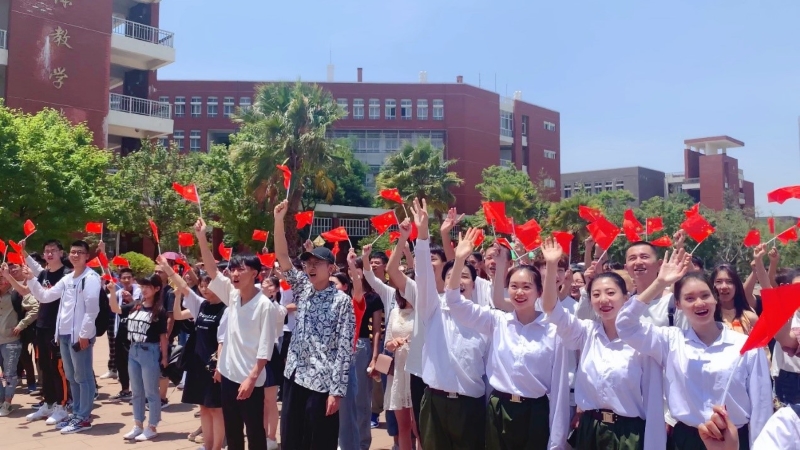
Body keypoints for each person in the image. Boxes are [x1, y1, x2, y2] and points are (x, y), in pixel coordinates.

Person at [616, 249, 772, 449]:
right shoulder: (670, 341)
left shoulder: (746, 346)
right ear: (678, 304)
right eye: (689, 298)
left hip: (732, 439)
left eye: (705, 295)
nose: (699, 303)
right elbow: (625, 326)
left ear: (715, 298)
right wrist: (660, 283)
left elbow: (762, 406)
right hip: (686, 439)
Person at [448, 231, 571, 449]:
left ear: (539, 292)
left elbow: (559, 390)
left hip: (535, 413)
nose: (519, 292)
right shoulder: (497, 321)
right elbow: (455, 304)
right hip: (499, 410)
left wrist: (557, 443)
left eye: (526, 287)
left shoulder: (553, 331)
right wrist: (458, 260)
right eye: (514, 286)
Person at [539, 239, 666, 449]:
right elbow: (552, 309)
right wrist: (551, 266)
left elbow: (653, 399)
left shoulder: (644, 340)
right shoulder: (586, 332)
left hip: (628, 434)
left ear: (627, 298)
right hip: (591, 429)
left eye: (611, 293)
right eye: (596, 295)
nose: (603, 300)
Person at [274, 199, 355, 450]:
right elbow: (282, 256)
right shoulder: (303, 288)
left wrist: (336, 392)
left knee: (318, 442)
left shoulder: (342, 301)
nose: (310, 267)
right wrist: (278, 220)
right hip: (294, 375)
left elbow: (344, 349)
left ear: (331, 268)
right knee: (291, 440)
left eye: (317, 263)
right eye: (308, 263)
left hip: (321, 382)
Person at [196, 218, 281, 450]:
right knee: (232, 430)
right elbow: (212, 271)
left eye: (240, 269)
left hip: (250, 379)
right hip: (228, 375)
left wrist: (251, 379)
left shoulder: (265, 306)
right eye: (232, 269)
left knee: (254, 431)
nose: (234, 274)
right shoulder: (232, 295)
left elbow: (266, 347)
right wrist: (202, 236)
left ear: (255, 273)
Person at [411, 199, 489, 450]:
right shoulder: (433, 308)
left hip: (471, 406)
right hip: (435, 403)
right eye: (453, 276)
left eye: (465, 276)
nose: (459, 281)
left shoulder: (486, 318)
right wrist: (423, 235)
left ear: (475, 285)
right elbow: (423, 276)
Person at [24, 240, 100, 434]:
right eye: (73, 252)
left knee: (83, 377)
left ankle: (84, 417)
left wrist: (84, 335)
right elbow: (45, 296)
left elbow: (92, 310)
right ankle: (76, 413)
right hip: (64, 335)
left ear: (87, 256)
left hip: (79, 337)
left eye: (80, 252)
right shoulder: (67, 279)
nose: (75, 255)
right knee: (72, 377)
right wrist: (31, 279)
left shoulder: (91, 278)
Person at [157, 257, 228, 450]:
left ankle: (217, 446)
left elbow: (223, 341)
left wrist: (219, 367)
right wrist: (168, 269)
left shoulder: (227, 309)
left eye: (208, 286)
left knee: (216, 409)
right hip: (197, 364)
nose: (204, 289)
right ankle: (207, 445)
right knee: (203, 407)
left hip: (215, 367)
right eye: (202, 286)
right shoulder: (202, 305)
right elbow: (184, 287)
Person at [107, 274, 168, 441]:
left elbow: (163, 336)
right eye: (142, 286)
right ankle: (138, 424)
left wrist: (164, 357)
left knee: (151, 392)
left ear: (157, 289)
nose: (144, 289)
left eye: (148, 286)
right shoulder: (136, 306)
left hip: (150, 351)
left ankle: (152, 426)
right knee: (136, 392)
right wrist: (112, 291)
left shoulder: (159, 311)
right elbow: (115, 309)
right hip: (133, 350)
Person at [20, 239, 71, 425]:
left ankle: (62, 406)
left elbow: (46, 295)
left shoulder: (67, 275)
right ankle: (49, 403)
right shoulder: (44, 273)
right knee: (44, 366)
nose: (49, 253)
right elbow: (34, 276)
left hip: (57, 328)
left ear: (61, 253)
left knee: (58, 368)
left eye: (53, 250)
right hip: (41, 326)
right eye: (47, 251)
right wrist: (22, 252)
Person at [0, 263, 38, 416]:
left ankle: (7, 403)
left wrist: (21, 325)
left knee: (10, 373)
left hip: (11, 341)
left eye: (3, 277)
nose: (1, 281)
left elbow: (35, 308)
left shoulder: (17, 293)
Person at [109, 267, 138, 402]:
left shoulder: (139, 292)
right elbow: (113, 307)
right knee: (121, 363)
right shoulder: (117, 293)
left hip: (135, 335)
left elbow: (140, 306)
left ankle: (137, 392)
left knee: (134, 364)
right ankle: (125, 390)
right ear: (119, 280)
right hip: (120, 333)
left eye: (129, 278)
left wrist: (131, 299)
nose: (126, 280)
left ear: (133, 279)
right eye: (123, 278)